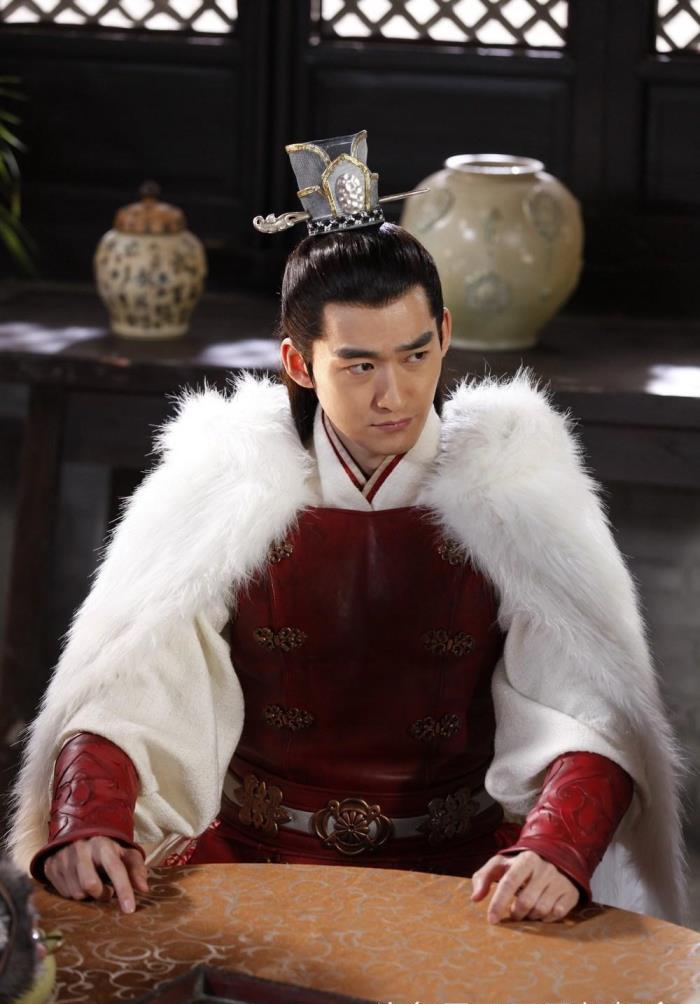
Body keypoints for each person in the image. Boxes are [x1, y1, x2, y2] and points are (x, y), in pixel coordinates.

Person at [6, 132, 688, 928]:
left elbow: (589, 704)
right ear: (299, 363)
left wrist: (555, 848)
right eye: (360, 365)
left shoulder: (519, 493)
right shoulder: (222, 490)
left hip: (472, 878)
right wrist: (92, 821)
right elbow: (132, 683)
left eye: (416, 354)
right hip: (253, 862)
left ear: (445, 332)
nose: (395, 395)